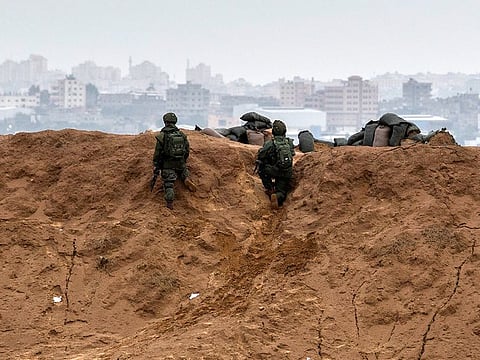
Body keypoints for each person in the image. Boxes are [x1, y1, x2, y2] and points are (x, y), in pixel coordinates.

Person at [152, 112, 196, 209]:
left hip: (168, 165)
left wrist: (156, 164)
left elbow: (157, 152)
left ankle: (170, 204)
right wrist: (183, 160)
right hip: (180, 163)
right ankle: (186, 178)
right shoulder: (182, 134)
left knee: (169, 184)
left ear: (165, 122)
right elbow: (187, 150)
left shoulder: (162, 136)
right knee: (183, 170)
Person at [256, 119, 295, 209]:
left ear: (273, 132)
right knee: (282, 191)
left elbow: (261, 156)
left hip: (273, 170)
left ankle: (270, 188)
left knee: (262, 167)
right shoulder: (289, 142)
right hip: (286, 172)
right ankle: (278, 196)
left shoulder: (270, 144)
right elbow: (292, 154)